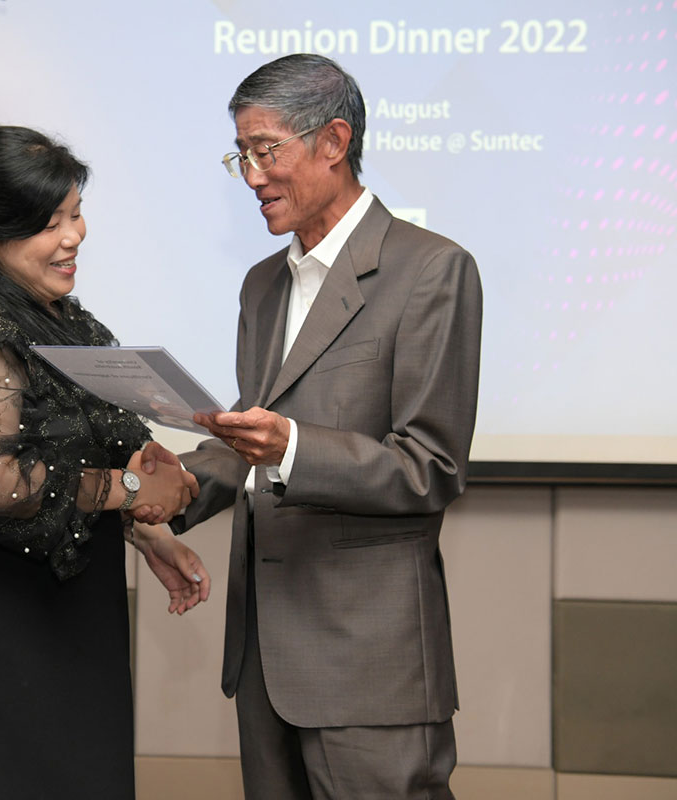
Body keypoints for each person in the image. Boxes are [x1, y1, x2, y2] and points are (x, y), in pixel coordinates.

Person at [160, 54, 483, 798]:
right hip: (263, 662)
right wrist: (166, 483)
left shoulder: (432, 270)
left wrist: (294, 448)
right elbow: (251, 441)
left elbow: (430, 467)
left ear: (334, 142)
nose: (251, 176)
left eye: (265, 151)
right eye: (240, 155)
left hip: (369, 667)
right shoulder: (262, 284)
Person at [0, 124, 209, 800]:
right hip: (4, 637)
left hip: (82, 628)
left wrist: (150, 532)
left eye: (75, 213)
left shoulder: (70, 323)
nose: (75, 235)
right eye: (50, 224)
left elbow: (100, 448)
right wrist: (130, 487)